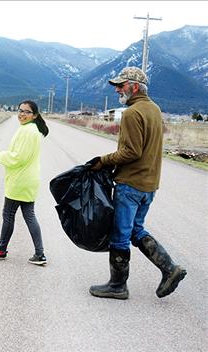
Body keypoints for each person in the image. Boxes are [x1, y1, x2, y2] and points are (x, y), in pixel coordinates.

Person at [87, 66, 187, 299]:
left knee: (120, 236)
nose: (118, 90)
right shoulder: (154, 109)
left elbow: (131, 152)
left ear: (134, 87)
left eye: (121, 86)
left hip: (130, 185)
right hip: (149, 185)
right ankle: (169, 269)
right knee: (135, 230)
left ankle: (117, 286)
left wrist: (103, 161)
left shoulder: (132, 113)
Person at [0, 100, 49, 265]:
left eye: (26, 112)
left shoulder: (27, 131)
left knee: (8, 215)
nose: (22, 114)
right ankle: (40, 254)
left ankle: (0, 250)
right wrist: (2, 156)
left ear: (35, 115)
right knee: (29, 216)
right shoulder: (32, 130)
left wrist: (0, 157)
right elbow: (19, 155)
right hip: (29, 180)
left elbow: (18, 157)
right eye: (20, 110)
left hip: (20, 181)